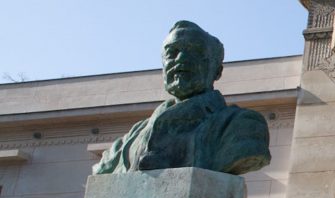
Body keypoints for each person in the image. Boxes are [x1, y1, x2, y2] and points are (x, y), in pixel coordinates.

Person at [93, 21, 270, 176]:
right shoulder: (133, 136)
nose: (181, 59)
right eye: (172, 52)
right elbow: (102, 170)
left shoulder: (242, 125)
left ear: (217, 71)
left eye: (195, 51)